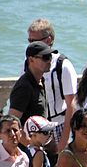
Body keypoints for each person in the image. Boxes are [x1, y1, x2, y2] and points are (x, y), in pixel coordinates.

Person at [27, 19, 79, 152]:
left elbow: (71, 105)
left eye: (35, 41)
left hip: (60, 125)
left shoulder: (63, 66)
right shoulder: (28, 63)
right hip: (37, 127)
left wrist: (64, 141)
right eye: (30, 41)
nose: (32, 45)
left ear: (49, 40)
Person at [9, 41, 54, 125]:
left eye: (50, 56)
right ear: (31, 59)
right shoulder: (24, 87)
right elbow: (12, 123)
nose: (49, 61)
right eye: (45, 57)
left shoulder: (41, 81)